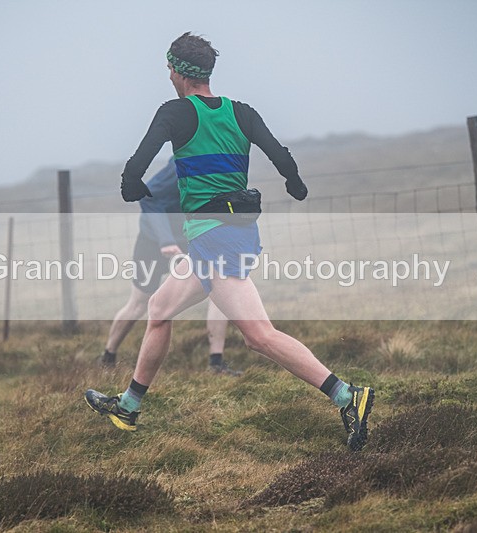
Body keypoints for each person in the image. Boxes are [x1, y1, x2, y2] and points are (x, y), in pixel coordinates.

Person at [85, 32, 374, 450]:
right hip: (224, 234)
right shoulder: (242, 113)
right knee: (160, 308)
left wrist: (132, 186)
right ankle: (129, 406)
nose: (168, 75)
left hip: (216, 239)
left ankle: (348, 397)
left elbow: (139, 161)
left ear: (181, 73)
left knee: (259, 336)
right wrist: (293, 182)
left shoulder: (176, 112)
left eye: (170, 68)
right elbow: (281, 155)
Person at [95, 158, 242, 375]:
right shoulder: (184, 162)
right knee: (139, 302)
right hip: (153, 241)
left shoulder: (226, 163)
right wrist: (165, 241)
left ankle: (216, 362)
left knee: (219, 289)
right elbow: (148, 198)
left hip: (190, 238)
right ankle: (108, 356)